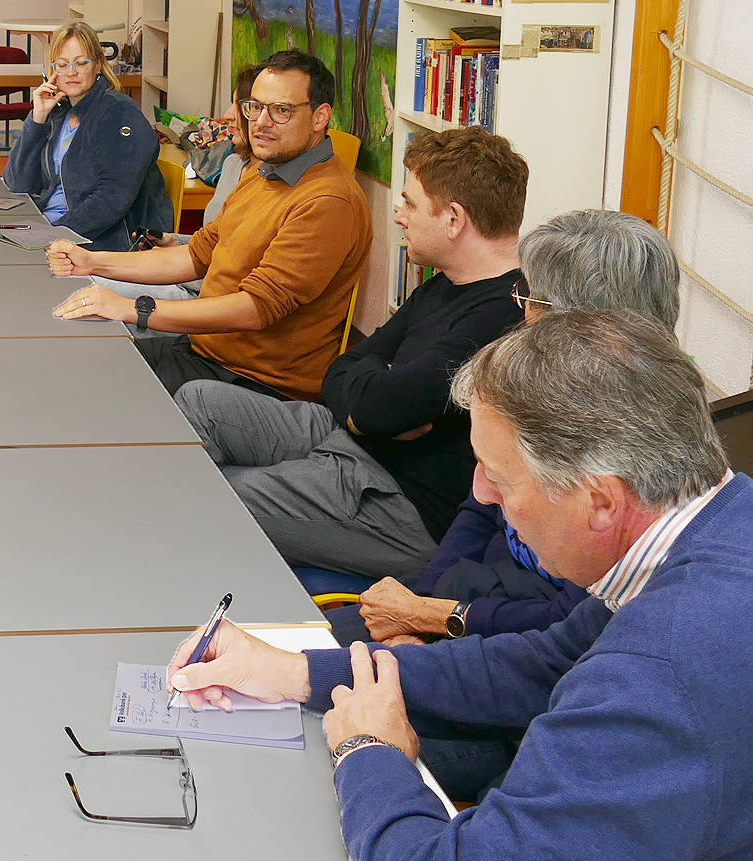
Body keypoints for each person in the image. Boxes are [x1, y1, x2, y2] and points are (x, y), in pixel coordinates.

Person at [168, 309, 753, 861]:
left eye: (499, 480)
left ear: (599, 501)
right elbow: (542, 664)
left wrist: (369, 753)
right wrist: (295, 672)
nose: (484, 498)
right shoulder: (717, 521)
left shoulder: (661, 674)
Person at [175, 128, 528, 581]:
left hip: (397, 499)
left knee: (213, 496)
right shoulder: (447, 282)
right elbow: (343, 373)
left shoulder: (501, 318)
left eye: (410, 203)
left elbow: (378, 401)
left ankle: (214, 568)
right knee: (196, 400)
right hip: (351, 438)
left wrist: (375, 400)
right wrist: (371, 406)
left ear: (454, 219)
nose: (399, 215)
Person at [340, 210, 681, 647]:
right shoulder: (532, 386)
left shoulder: (644, 450)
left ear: (587, 326)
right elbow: (479, 509)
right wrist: (425, 601)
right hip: (461, 598)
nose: (522, 314)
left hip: (504, 637)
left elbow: (571, 627)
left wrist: (439, 619)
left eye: (534, 301)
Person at [50, 48, 370, 399]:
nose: (260, 122)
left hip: (255, 383)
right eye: (255, 107)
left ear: (320, 117)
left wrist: (132, 309)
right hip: (205, 355)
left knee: (89, 391)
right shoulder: (264, 173)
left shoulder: (327, 200)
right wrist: (92, 261)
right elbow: (196, 255)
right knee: (72, 361)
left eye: (281, 110)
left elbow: (256, 308)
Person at [94, 63, 258, 305]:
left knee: (88, 284)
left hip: (201, 295)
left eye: (242, 106)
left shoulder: (271, 185)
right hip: (184, 279)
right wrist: (176, 241)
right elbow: (214, 241)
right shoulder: (234, 163)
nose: (228, 114)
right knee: (87, 277)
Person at [1, 21, 171, 250]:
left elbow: (111, 200)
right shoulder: (59, 112)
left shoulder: (119, 113)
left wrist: (51, 237)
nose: (71, 72)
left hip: (100, 242)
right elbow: (17, 183)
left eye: (81, 63)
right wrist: (37, 118)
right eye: (62, 65)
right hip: (50, 228)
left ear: (99, 64)